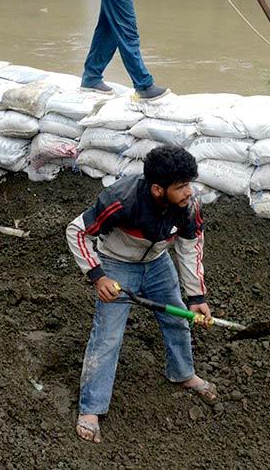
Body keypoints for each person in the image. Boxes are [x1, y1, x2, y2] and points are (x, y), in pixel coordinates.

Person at [65, 145, 217, 444]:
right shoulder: (121, 200)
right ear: (158, 189)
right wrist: (98, 276)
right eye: (182, 186)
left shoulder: (189, 206)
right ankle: (91, 408)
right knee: (108, 334)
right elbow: (76, 231)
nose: (190, 192)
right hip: (117, 264)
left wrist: (196, 296)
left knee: (176, 318)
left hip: (157, 263)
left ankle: (183, 373)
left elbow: (189, 248)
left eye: (190, 183)